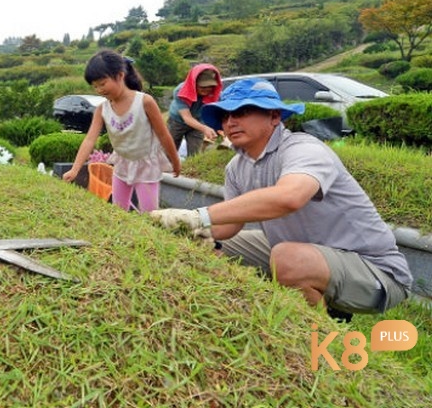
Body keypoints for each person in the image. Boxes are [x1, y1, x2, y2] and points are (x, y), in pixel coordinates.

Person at [150, 78, 413, 321]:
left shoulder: (303, 148)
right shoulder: (236, 168)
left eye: (241, 112)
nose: (230, 122)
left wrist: (201, 215)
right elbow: (228, 227)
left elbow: (290, 197)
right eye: (225, 115)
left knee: (287, 258)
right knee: (210, 245)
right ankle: (240, 315)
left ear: (274, 116)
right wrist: (189, 227)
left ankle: (321, 340)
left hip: (373, 270)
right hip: (302, 248)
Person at [63, 50, 181, 212]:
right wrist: (75, 169)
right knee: (118, 212)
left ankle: (148, 237)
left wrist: (175, 161)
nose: (99, 90)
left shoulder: (145, 102)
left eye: (102, 83)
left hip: (146, 165)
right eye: (95, 86)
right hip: (122, 163)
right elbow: (90, 140)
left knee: (150, 214)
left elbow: (163, 134)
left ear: (120, 76)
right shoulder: (102, 109)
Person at [167, 64, 222, 157]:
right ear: (194, 83)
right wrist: (205, 128)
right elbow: (187, 118)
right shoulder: (180, 91)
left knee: (195, 153)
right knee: (170, 150)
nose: (207, 89)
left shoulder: (215, 94)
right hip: (177, 122)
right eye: (203, 86)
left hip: (198, 121)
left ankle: (190, 169)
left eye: (210, 86)